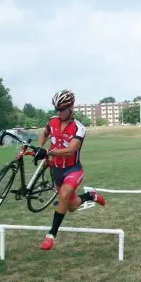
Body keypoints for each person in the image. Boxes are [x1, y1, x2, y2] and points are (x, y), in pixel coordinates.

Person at [33, 89, 106, 251]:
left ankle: (51, 236)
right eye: (56, 109)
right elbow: (44, 134)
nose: (59, 113)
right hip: (56, 171)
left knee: (64, 195)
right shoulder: (52, 121)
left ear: (71, 107)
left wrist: (49, 152)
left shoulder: (79, 128)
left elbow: (71, 150)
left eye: (62, 109)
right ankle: (90, 196)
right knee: (71, 206)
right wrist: (40, 147)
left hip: (73, 169)